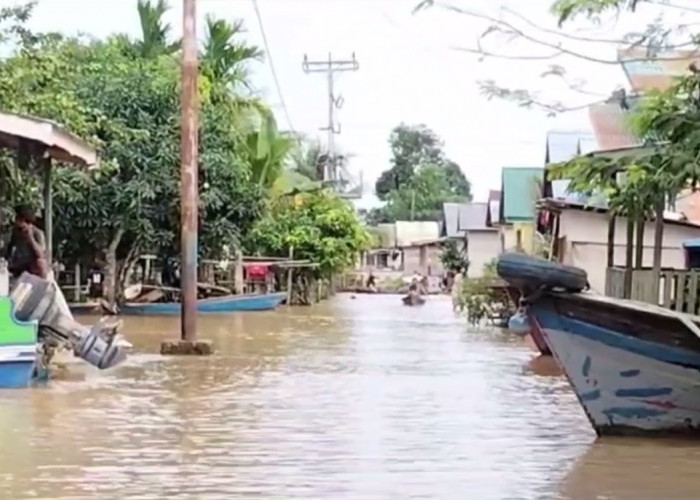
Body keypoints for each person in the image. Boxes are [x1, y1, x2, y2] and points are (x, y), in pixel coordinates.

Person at [5, 205, 48, 279]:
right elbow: (10, 247)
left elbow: (41, 255)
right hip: (18, 265)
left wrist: (30, 238)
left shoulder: (38, 233)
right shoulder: (16, 232)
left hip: (31, 266)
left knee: (41, 263)